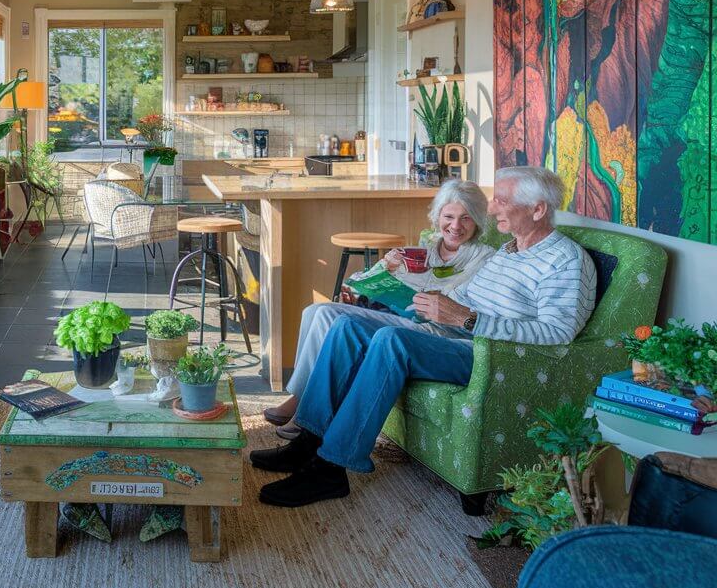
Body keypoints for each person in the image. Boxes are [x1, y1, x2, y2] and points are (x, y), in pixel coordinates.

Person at [251, 166, 596, 508]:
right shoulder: (509, 251)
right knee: (346, 328)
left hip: (488, 351)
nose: (491, 209)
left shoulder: (564, 259)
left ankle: (331, 467)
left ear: (538, 209)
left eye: (501, 201)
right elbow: (468, 299)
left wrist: (466, 318)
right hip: (454, 332)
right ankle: (308, 441)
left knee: (391, 340)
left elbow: (558, 333)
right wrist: (436, 305)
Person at [262, 179, 495, 431]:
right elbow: (367, 283)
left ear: (478, 220)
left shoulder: (485, 260)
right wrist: (385, 267)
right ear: (438, 215)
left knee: (331, 315)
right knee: (315, 311)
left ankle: (303, 408)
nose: (455, 226)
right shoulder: (423, 250)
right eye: (449, 216)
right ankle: (300, 398)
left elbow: (464, 307)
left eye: (466, 218)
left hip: (430, 330)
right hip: (396, 315)